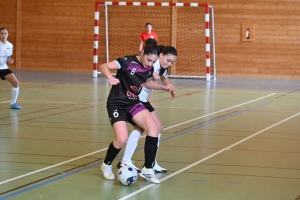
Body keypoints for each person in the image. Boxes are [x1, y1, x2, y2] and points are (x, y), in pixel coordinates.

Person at [99, 42, 173, 184]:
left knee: (154, 128)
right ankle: (106, 164)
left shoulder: (149, 68)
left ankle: (148, 169)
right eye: (148, 60)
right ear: (142, 53)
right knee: (121, 139)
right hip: (117, 103)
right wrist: (109, 77)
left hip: (133, 103)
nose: (149, 64)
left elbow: (146, 82)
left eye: (153, 61)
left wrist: (162, 87)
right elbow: (104, 66)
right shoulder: (126, 62)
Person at [117, 39, 178, 173]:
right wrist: (161, 85)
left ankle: (150, 162)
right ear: (161, 55)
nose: (169, 64)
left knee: (158, 127)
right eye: (168, 60)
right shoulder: (151, 62)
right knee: (145, 127)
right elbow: (145, 79)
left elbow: (164, 77)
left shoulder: (161, 66)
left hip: (142, 98)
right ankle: (127, 160)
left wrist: (169, 86)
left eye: (172, 62)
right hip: (136, 98)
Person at [0, 27, 22, 109]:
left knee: (15, 82)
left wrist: (9, 61)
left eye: (5, 34)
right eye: (2, 34)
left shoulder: (10, 45)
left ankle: (13, 103)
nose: (3, 35)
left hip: (4, 68)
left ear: (7, 34)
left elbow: (8, 57)